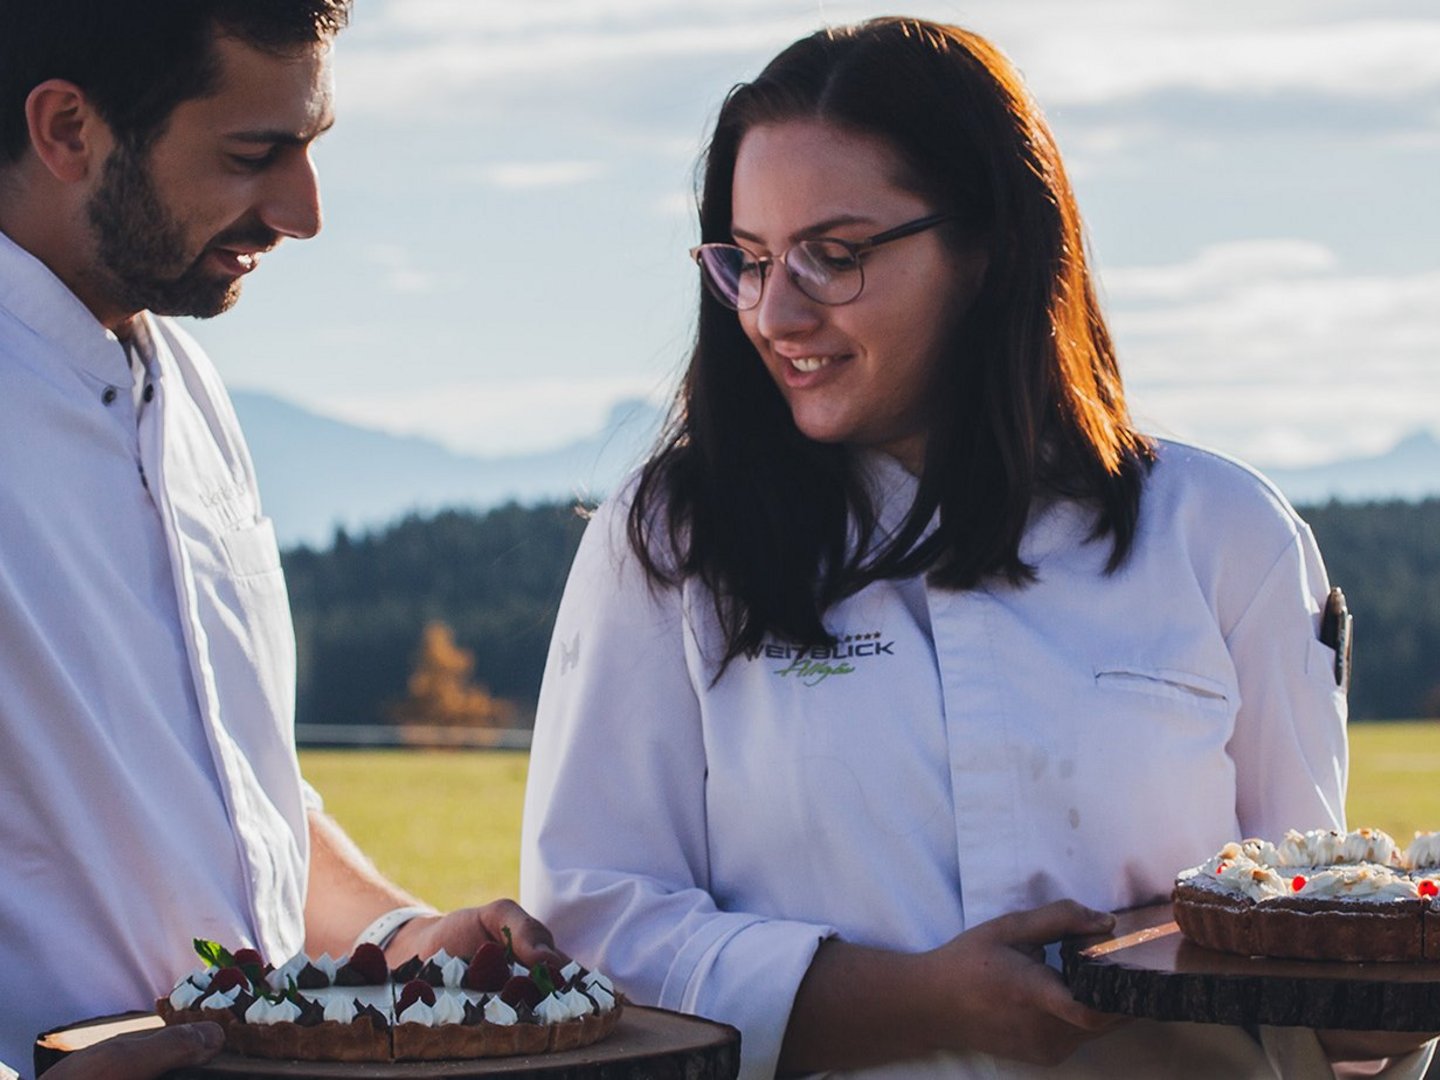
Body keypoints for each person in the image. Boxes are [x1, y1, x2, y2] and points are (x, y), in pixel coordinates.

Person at [519, 16, 1433, 1079]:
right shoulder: (674, 544)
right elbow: (596, 930)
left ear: (991, 245)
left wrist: (1389, 1004)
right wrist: (919, 1006)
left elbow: (1310, 957)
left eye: (834, 255)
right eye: (751, 261)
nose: (774, 313)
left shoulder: (1226, 535)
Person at [0, 2, 560, 1074]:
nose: (304, 213)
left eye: (312, 146)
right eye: (257, 153)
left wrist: (401, 942)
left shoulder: (191, 388)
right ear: (69, 129)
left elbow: (234, 793)